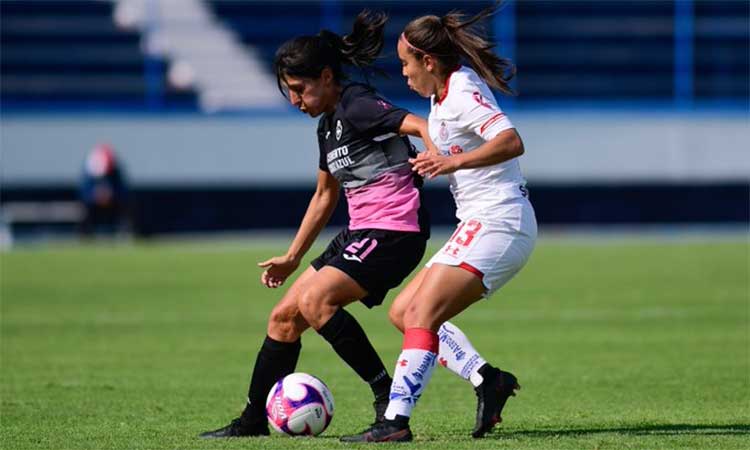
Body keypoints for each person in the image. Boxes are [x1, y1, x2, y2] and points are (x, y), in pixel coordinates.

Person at [200, 11, 503, 439]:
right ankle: (253, 422)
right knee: (284, 317)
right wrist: (291, 257)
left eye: (300, 89)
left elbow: (417, 123)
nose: (295, 101)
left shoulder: (357, 104)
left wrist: (439, 159)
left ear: (326, 77)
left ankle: (385, 399)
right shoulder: (328, 127)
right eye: (288, 92)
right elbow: (325, 195)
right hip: (361, 233)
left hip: (395, 233)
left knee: (317, 302)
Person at [343, 5, 537, 443]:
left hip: (500, 220)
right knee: (402, 312)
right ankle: (488, 379)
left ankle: (395, 420)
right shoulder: (440, 95)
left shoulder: (463, 91)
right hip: (477, 221)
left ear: (428, 61)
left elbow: (512, 141)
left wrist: (452, 162)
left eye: (407, 64)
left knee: (423, 314)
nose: (404, 74)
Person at [79, 143, 130, 237]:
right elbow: (84, 193)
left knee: (126, 208)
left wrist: (111, 195)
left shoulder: (115, 171)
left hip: (113, 203)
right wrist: (96, 196)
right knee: (85, 212)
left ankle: (124, 233)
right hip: (93, 205)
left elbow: (122, 191)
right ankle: (86, 235)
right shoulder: (90, 171)